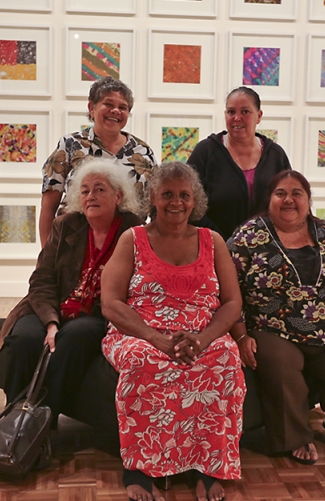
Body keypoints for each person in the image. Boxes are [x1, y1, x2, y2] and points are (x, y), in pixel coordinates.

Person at [101, 162, 245, 501]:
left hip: (201, 333)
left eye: (184, 195)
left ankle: (207, 467)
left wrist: (204, 338)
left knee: (224, 359)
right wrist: (156, 339)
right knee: (142, 361)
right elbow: (111, 303)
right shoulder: (132, 239)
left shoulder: (213, 241)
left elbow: (232, 302)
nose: (176, 202)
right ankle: (138, 469)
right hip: (139, 333)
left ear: (195, 200)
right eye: (167, 194)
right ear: (153, 197)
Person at [227, 170, 325, 466]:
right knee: (281, 365)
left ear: (308, 200)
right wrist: (240, 335)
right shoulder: (248, 236)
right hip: (270, 329)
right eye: (280, 193)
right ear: (269, 199)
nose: (288, 200)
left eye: (297, 193)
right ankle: (294, 438)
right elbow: (229, 287)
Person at [0, 158, 143, 413]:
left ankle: (44, 419)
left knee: (74, 336)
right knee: (23, 339)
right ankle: (14, 419)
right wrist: (51, 323)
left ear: (118, 196)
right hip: (50, 306)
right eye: (84, 191)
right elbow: (41, 280)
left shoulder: (133, 230)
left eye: (99, 189)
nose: (90, 196)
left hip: (97, 314)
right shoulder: (66, 225)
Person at [39, 76, 155, 246]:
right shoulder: (70, 145)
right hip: (75, 245)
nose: (115, 111)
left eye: (122, 107)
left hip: (129, 245)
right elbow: (49, 206)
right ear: (91, 108)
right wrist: (47, 254)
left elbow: (154, 206)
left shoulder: (143, 152)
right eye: (108, 104)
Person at [187, 86, 291, 239]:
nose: (237, 118)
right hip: (214, 245)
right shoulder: (206, 152)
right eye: (231, 112)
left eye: (245, 112)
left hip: (267, 247)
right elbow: (188, 202)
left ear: (259, 116)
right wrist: (221, 241)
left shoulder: (275, 155)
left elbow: (288, 203)